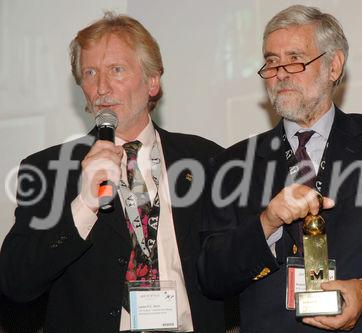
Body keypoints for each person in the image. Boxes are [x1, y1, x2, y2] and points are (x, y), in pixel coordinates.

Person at [197, 5, 362, 332]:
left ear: (333, 66)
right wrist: (267, 223)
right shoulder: (232, 165)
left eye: (294, 59)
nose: (280, 73)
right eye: (272, 61)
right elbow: (212, 276)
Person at [0, 13, 224, 333]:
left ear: (152, 82)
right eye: (90, 73)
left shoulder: (206, 159)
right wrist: (85, 204)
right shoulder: (48, 170)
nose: (102, 87)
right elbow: (15, 282)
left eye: (116, 70)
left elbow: (229, 267)